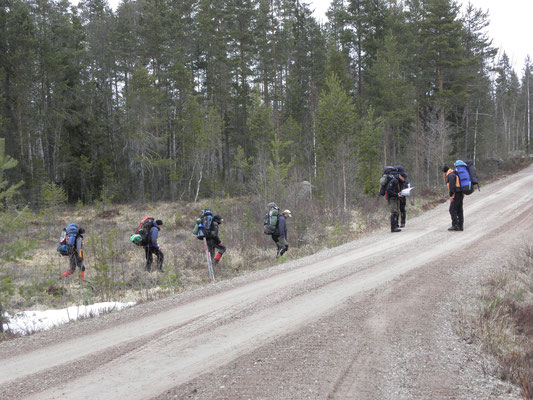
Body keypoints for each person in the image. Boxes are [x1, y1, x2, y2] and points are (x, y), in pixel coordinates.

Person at [443, 165, 464, 231]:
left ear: (445, 172)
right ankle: (460, 226)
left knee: (452, 209)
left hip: (456, 194)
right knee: (459, 210)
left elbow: (452, 187)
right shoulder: (455, 173)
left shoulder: (451, 175)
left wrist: (451, 195)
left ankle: (455, 225)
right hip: (460, 193)